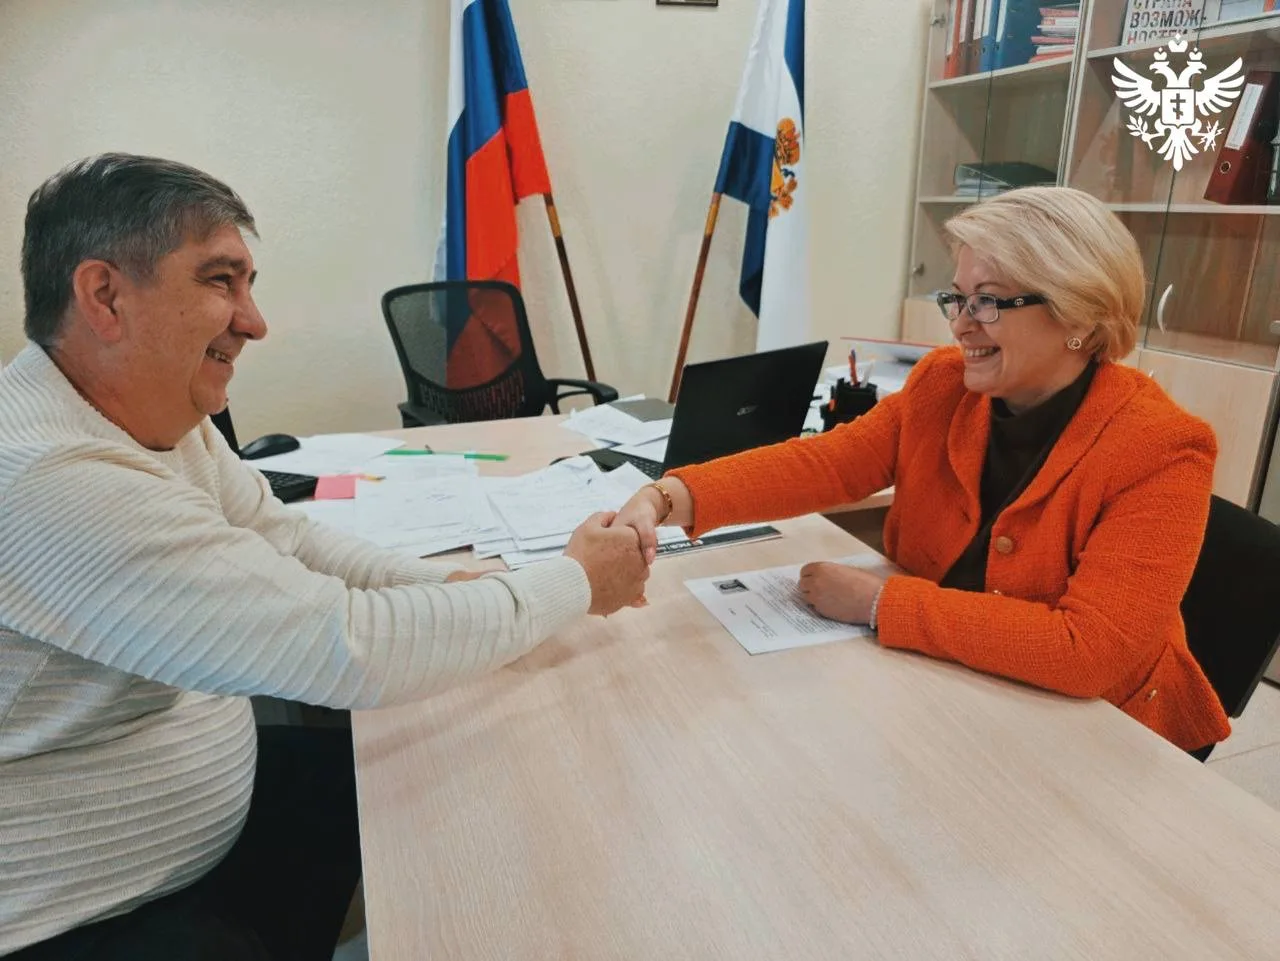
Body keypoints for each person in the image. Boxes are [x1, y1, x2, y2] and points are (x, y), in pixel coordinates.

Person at [0, 153, 649, 959]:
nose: (254, 321)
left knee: (437, 777)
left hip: (193, 824)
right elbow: (345, 644)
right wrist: (572, 584)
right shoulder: (47, 477)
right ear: (104, 296)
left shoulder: (149, 414)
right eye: (220, 281)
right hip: (79, 912)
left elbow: (287, 538)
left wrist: (461, 587)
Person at [615, 186, 1230, 756]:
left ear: (1080, 317)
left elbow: (1087, 651)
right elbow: (828, 463)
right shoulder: (944, 385)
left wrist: (881, 603)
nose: (960, 323)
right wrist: (669, 496)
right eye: (957, 297)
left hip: (1102, 735)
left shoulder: (1162, 449)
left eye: (988, 301)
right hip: (955, 693)